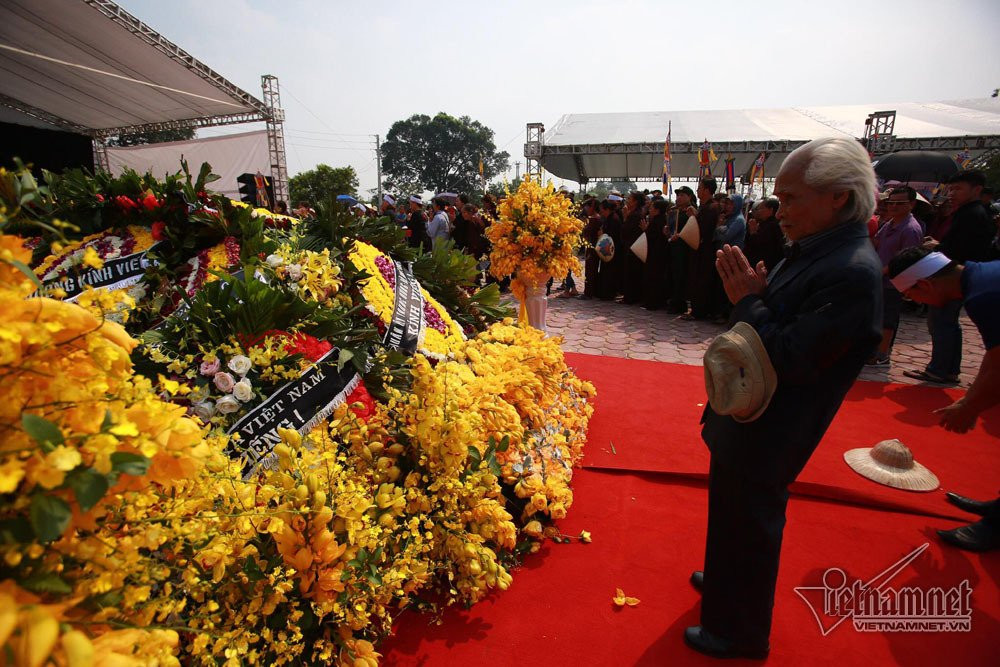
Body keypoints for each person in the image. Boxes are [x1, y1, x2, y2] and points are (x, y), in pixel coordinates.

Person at [687, 137, 882, 658]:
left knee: (751, 518)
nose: (780, 211)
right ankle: (728, 578)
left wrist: (749, 300)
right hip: (754, 415)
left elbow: (792, 356)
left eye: (792, 199)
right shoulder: (821, 249)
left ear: (838, 197)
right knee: (731, 508)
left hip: (777, 422)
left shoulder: (852, 271)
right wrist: (759, 293)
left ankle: (738, 632)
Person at [887, 246, 1000, 551]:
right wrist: (970, 400)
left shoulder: (984, 296)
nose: (915, 302)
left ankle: (996, 528)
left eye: (912, 296)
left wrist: (971, 406)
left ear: (924, 285)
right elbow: (993, 355)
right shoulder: (982, 277)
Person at [905, 170, 998, 385]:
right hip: (960, 276)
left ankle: (939, 369)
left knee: (941, 323)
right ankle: (948, 369)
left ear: (976, 189)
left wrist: (940, 247)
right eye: (952, 188)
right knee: (947, 324)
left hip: (954, 278)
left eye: (959, 189)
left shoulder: (972, 214)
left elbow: (963, 249)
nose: (953, 193)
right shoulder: (970, 212)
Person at [866, 186, 924, 365]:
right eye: (891, 202)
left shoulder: (910, 229)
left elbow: (905, 260)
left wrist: (880, 271)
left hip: (893, 282)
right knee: (877, 316)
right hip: (879, 277)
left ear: (911, 204)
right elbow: (876, 242)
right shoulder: (890, 224)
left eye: (900, 203)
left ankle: (882, 354)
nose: (894, 206)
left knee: (887, 319)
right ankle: (874, 350)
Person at [684, 177, 722, 320]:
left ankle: (699, 311)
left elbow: (703, 230)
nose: (698, 191)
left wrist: (695, 217)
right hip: (700, 250)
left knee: (702, 280)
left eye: (700, 188)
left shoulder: (712, 208)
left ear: (707, 190)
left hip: (705, 250)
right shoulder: (706, 207)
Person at [665, 186, 695, 313]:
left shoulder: (691, 211)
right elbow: (671, 229)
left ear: (690, 197)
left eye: (682, 195)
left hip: (685, 249)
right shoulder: (675, 211)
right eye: (678, 195)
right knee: (673, 274)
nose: (679, 198)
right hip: (674, 247)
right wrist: (667, 231)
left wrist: (680, 235)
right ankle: (673, 300)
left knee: (681, 275)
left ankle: (679, 303)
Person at [641, 198, 669, 310]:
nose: (650, 209)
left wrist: (645, 230)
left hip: (654, 254)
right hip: (661, 254)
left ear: (657, 210)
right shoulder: (664, 220)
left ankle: (651, 303)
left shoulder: (656, 221)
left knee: (652, 278)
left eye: (652, 207)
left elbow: (651, 237)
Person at [744, 197, 785, 273]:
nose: (758, 212)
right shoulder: (764, 224)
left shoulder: (773, 227)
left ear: (771, 210)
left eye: (761, 209)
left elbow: (760, 247)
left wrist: (753, 232)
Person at [620, 191, 645, 304]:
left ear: (635, 202)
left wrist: (625, 217)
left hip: (633, 247)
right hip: (631, 246)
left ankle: (630, 297)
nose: (627, 201)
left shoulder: (635, 215)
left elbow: (626, 231)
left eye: (630, 198)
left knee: (631, 273)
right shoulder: (636, 213)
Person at [596, 200, 622, 301]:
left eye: (602, 209)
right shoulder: (608, 218)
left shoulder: (614, 219)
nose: (600, 211)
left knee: (610, 272)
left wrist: (602, 234)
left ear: (607, 209)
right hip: (607, 250)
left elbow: (611, 236)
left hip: (612, 250)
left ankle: (608, 293)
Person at [580, 198, 602, 299]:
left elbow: (588, 233)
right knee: (591, 269)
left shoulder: (594, 219)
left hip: (592, 247)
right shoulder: (595, 218)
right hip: (592, 246)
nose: (586, 209)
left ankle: (589, 292)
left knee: (590, 269)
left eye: (588, 206)